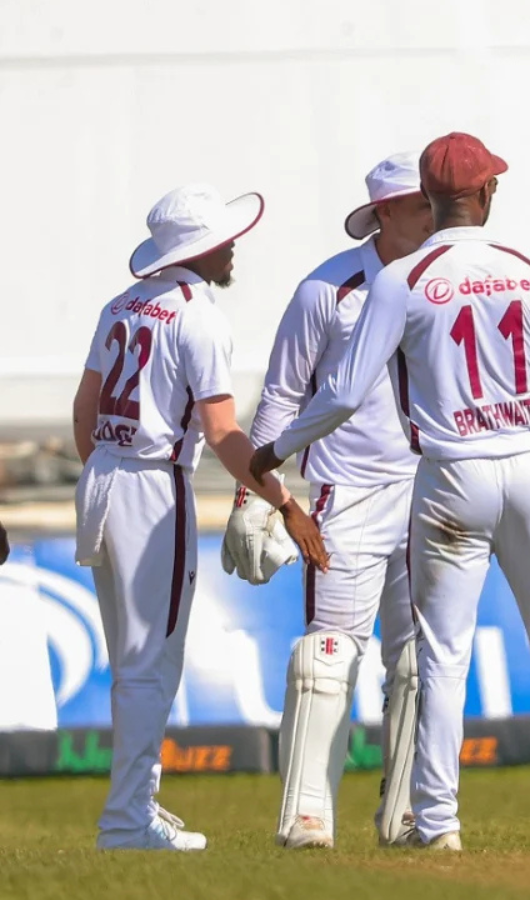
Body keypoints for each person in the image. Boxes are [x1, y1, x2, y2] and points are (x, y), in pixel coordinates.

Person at [249, 132, 530, 852]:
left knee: (442, 654)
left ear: (428, 197)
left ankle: (439, 824)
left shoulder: (401, 281)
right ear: (485, 194)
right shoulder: (528, 271)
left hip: (450, 474)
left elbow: (342, 393)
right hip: (527, 464)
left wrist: (273, 454)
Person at [73, 184, 329, 851]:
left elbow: (84, 410)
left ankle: (138, 809)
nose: (235, 246)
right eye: (226, 239)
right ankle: (127, 820)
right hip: (154, 485)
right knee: (150, 662)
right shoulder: (198, 315)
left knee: (135, 659)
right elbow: (222, 432)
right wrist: (285, 501)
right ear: (204, 247)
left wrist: (107, 471)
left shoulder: (119, 305)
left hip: (103, 473)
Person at [229, 152, 433, 849]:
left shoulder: (453, 277)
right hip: (347, 495)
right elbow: (283, 392)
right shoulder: (327, 287)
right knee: (326, 655)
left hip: (438, 488)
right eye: (418, 203)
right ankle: (307, 812)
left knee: (419, 660)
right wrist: (256, 497)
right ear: (382, 212)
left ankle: (406, 811)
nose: (433, 213)